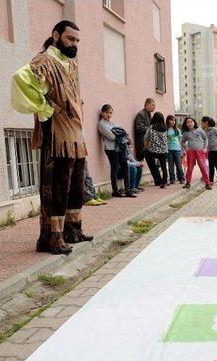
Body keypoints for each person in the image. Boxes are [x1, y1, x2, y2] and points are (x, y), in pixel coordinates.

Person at [11, 20, 92, 254]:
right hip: (57, 135)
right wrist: (45, 108)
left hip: (76, 134)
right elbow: (20, 78)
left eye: (77, 40)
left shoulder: (71, 64)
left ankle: (72, 231)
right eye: (70, 39)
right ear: (56, 35)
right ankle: (51, 238)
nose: (75, 44)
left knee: (75, 186)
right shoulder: (44, 60)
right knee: (57, 186)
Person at [97, 104, 134, 197]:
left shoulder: (111, 123)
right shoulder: (101, 124)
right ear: (102, 113)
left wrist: (120, 134)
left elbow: (122, 132)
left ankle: (128, 190)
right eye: (106, 112)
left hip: (119, 147)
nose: (109, 115)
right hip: (111, 149)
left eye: (110, 112)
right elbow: (112, 136)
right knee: (115, 168)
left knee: (125, 166)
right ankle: (115, 190)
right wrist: (119, 134)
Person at [181, 116, 211, 190]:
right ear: (186, 124)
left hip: (200, 151)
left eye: (191, 121)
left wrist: (205, 148)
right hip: (191, 152)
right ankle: (188, 183)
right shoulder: (186, 133)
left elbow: (206, 139)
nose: (190, 123)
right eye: (187, 122)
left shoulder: (200, 130)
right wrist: (186, 147)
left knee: (203, 167)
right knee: (190, 167)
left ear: (194, 122)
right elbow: (182, 142)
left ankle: (207, 183)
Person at [144, 112, 169, 188]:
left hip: (153, 151)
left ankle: (157, 179)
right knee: (164, 167)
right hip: (164, 151)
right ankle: (164, 182)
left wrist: (146, 147)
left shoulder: (151, 127)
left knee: (148, 157)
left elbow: (145, 138)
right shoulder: (165, 128)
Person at [201, 116, 217, 185]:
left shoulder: (214, 129)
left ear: (206, 122)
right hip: (210, 150)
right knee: (211, 165)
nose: (201, 124)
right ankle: (211, 180)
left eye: (202, 122)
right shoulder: (204, 132)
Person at [165, 115, 185, 184]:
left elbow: (180, 139)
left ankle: (181, 178)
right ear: (168, 121)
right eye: (171, 120)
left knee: (179, 165)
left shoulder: (177, 129)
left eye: (174, 120)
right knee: (170, 165)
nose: (173, 122)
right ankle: (172, 179)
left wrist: (182, 149)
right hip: (169, 150)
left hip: (177, 149)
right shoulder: (166, 130)